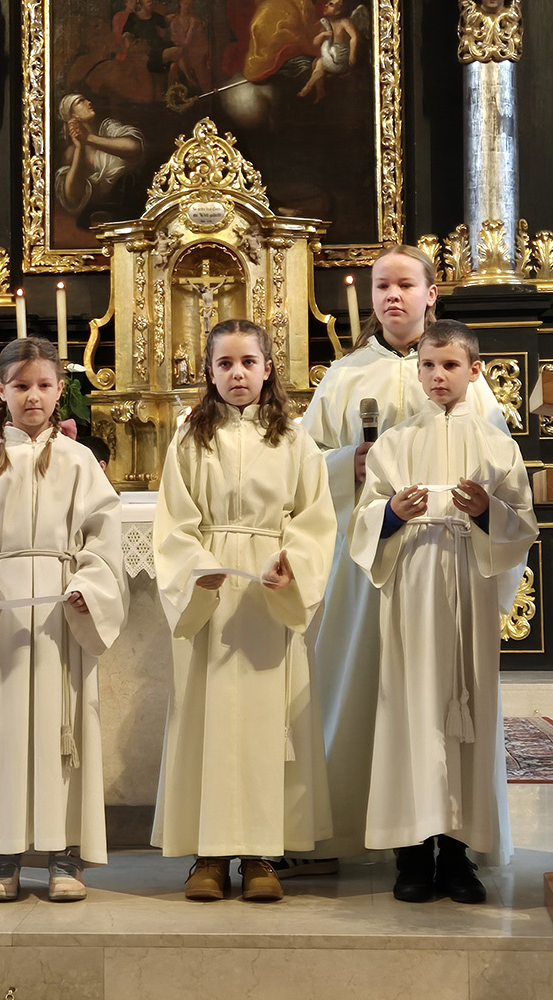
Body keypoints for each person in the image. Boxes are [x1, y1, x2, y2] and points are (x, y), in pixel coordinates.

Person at [298, 245, 508, 867]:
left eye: (405, 285)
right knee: (366, 684)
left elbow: (499, 466)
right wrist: (347, 464)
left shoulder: (466, 376)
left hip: (447, 566)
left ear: (430, 293)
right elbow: (304, 463)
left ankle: (448, 832)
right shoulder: (344, 374)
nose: (392, 295)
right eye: (381, 285)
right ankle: (354, 825)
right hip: (370, 556)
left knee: (444, 691)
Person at [0, 337, 127, 902]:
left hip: (63, 612)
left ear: (61, 390)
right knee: (4, 730)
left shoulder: (78, 461)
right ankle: (5, 854)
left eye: (43, 385)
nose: (33, 396)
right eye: (21, 386)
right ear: (1, 392)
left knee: (65, 731)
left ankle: (64, 855)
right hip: (1, 613)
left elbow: (103, 537)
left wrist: (89, 588)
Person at [349, 320, 537, 902]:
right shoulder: (396, 442)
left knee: (470, 711)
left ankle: (458, 855)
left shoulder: (498, 445)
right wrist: (392, 515)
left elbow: (521, 526)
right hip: (412, 589)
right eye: (428, 365)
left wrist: (485, 513)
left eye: (451, 365)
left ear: (475, 371)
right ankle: (412, 853)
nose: (437, 376)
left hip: (469, 591)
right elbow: (363, 521)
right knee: (410, 710)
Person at [152, 319, 336, 902]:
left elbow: (314, 519)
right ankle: (208, 856)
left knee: (265, 724)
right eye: (225, 363)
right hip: (211, 591)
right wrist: (194, 567)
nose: (237, 373)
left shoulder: (295, 441)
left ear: (268, 369)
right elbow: (173, 522)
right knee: (206, 719)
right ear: (209, 372)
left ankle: (261, 854)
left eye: (248, 362)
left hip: (267, 591)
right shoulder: (190, 439)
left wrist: (292, 565)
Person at [54, 94, 144, 220]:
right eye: (80, 101)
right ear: (73, 116)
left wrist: (89, 138)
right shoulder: (70, 154)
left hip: (134, 208)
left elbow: (134, 147)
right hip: (96, 218)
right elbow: (72, 196)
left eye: (86, 99)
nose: (88, 102)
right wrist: (79, 148)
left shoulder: (108, 128)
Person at [297, 0, 359, 101]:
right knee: (319, 63)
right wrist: (323, 35)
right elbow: (315, 43)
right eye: (327, 3)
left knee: (320, 63)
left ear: (338, 11)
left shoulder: (344, 22)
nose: (326, 5)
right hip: (330, 55)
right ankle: (320, 93)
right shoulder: (326, 24)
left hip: (341, 58)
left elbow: (354, 37)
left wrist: (352, 55)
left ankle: (307, 89)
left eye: (331, 5)